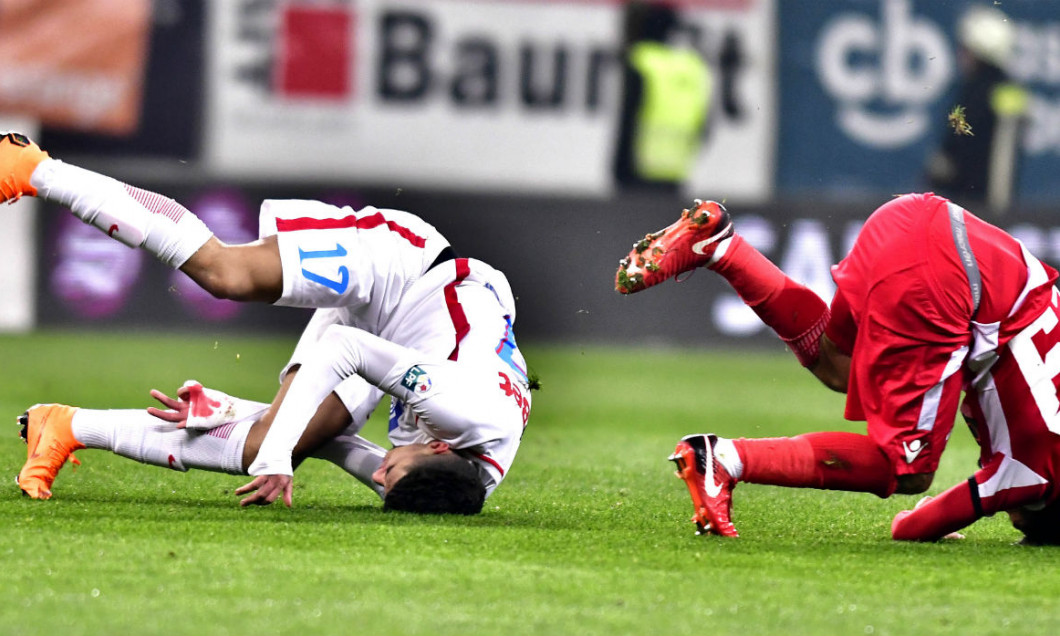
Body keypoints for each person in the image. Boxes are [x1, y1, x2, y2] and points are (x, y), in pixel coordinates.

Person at [2, 132, 533, 514]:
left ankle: (67, 425)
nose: (377, 473)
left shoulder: (458, 486)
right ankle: (32, 167)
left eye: (383, 483)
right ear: (440, 448)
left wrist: (241, 417)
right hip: (407, 269)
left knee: (261, 445)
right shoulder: (464, 409)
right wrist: (281, 452)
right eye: (388, 472)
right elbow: (344, 347)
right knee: (225, 273)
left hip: (396, 336)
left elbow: (349, 449)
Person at [616, 193, 1060, 541]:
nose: (1009, 514)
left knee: (838, 367)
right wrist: (936, 516)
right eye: (1018, 521)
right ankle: (724, 459)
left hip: (912, 218)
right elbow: (910, 524)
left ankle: (721, 246)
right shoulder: (1037, 476)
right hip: (944, 283)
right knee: (908, 469)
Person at [924, 5, 1028, 215]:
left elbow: (952, 155)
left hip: (972, 210)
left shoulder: (972, 93)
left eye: (966, 49)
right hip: (994, 211)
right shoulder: (1010, 91)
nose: (962, 55)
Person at [611, 1, 713, 193]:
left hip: (636, 176)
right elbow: (705, 128)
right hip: (677, 174)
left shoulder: (642, 61)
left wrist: (618, 171)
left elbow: (628, 122)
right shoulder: (692, 66)